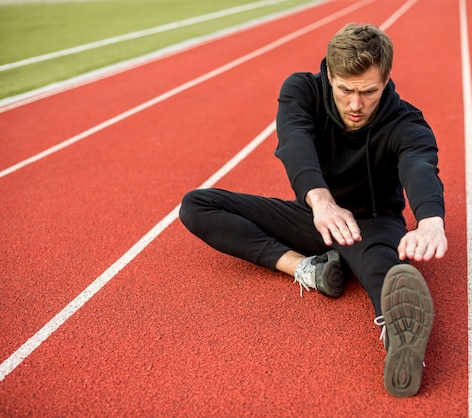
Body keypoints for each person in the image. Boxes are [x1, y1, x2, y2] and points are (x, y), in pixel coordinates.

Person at [179, 23, 447, 397]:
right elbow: (295, 141)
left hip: (371, 222)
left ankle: (400, 342)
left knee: (388, 272)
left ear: (386, 80)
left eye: (369, 92)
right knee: (197, 204)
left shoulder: (406, 122)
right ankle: (309, 269)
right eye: (345, 90)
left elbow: (419, 165)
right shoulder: (301, 90)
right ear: (329, 75)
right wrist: (320, 201)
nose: (356, 105)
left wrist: (431, 220)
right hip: (314, 215)